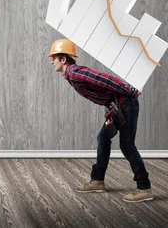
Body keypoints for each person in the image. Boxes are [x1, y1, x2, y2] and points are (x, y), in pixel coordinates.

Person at [48, 38, 153, 203]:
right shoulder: (70, 75)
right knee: (103, 138)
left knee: (127, 145)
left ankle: (144, 188)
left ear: (63, 59)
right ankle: (98, 181)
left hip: (126, 104)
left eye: (53, 58)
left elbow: (105, 79)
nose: (51, 61)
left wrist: (130, 90)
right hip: (117, 107)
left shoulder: (75, 72)